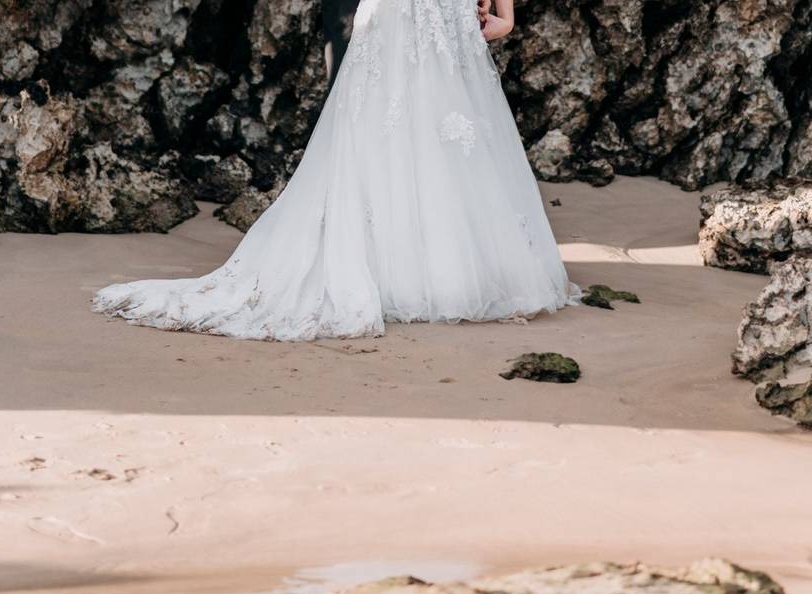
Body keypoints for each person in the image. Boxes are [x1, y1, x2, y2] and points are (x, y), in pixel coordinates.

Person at [93, 0, 580, 341]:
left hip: (439, 16)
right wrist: (505, 15)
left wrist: (505, 16)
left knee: (426, 130)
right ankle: (428, 274)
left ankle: (426, 272)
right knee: (401, 131)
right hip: (412, 16)